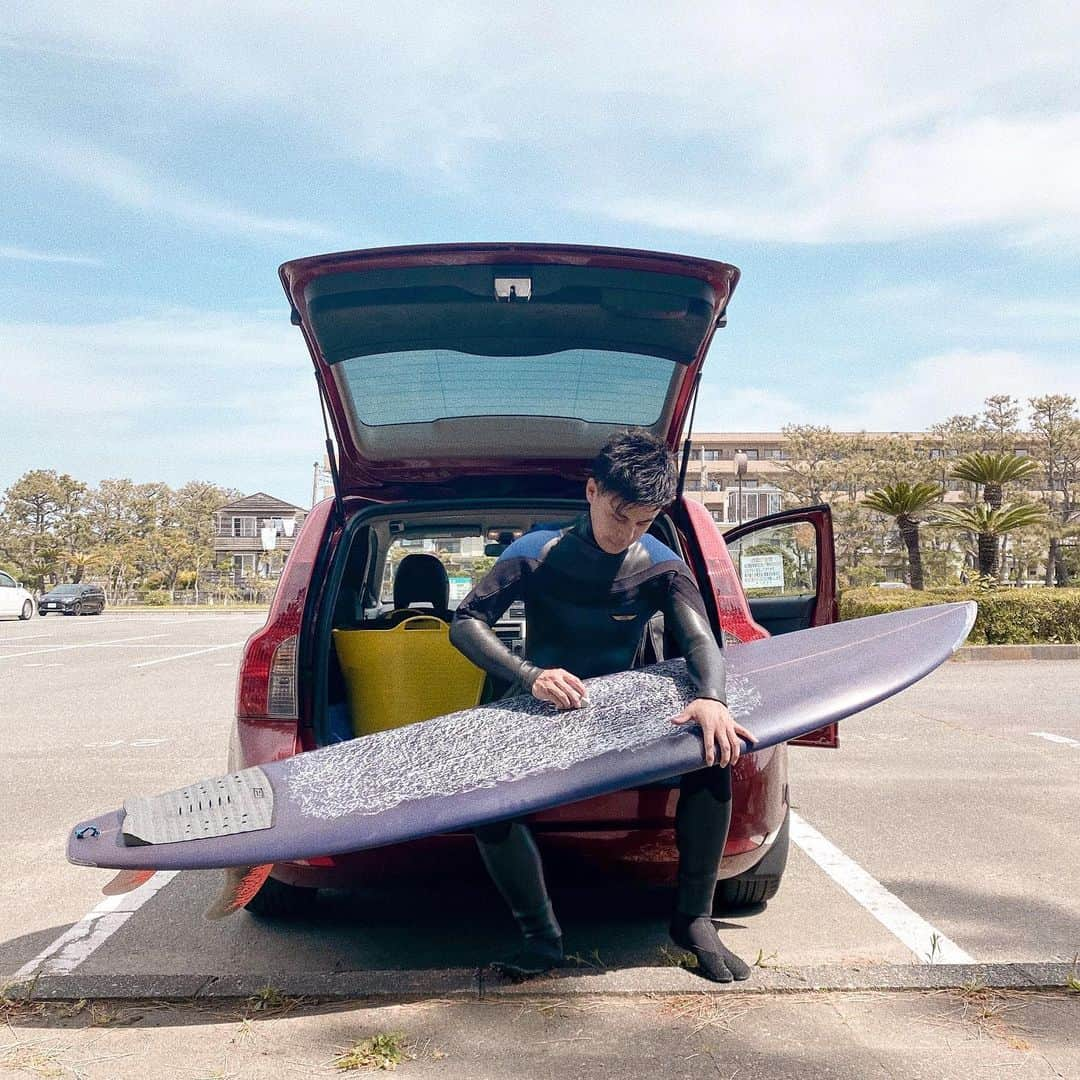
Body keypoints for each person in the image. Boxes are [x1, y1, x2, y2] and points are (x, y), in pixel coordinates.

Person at [450, 429, 757, 982]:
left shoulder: (659, 563)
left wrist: (712, 698)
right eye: (621, 516)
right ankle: (541, 938)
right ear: (592, 490)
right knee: (487, 802)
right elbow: (465, 623)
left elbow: (700, 640)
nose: (629, 533)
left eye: (644, 521)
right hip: (544, 704)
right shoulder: (535, 553)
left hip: (622, 706)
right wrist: (530, 674)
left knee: (714, 758)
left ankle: (694, 920)